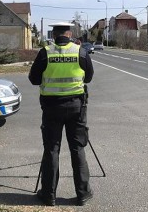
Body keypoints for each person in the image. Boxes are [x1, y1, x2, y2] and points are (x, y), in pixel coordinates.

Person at [29, 22, 94, 206]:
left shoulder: (45, 53)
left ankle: (49, 195)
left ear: (54, 34)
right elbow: (88, 77)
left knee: (51, 149)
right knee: (77, 149)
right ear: (70, 33)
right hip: (76, 107)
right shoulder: (80, 52)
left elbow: (33, 79)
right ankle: (83, 194)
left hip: (51, 108)